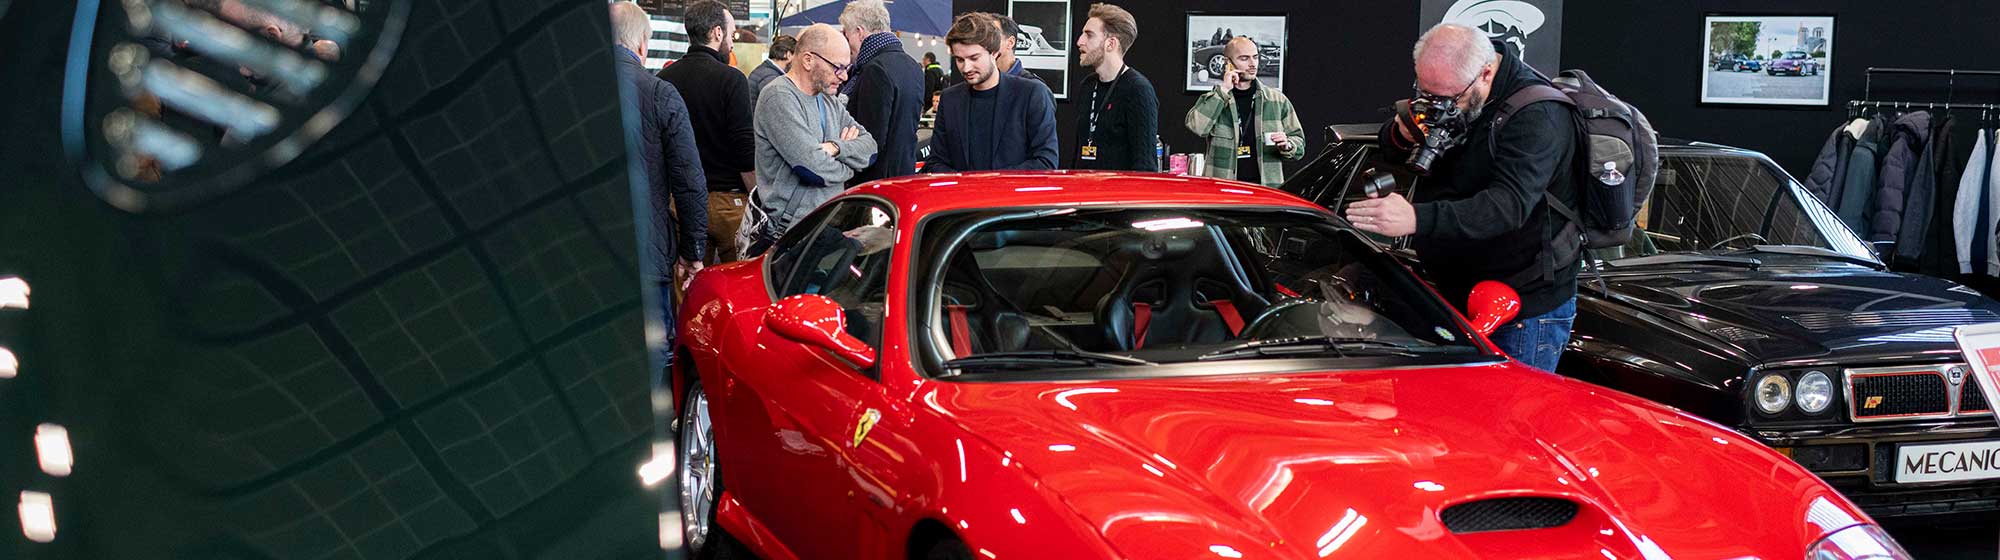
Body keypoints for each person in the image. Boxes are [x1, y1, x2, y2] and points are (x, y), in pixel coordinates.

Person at [1343, 24, 1579, 372]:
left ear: (1486, 74)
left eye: (1448, 98)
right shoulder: (1454, 84)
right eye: (1426, 93)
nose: (1437, 105)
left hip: (1519, 305)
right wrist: (1399, 133)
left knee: (1507, 420)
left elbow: (1507, 207)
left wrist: (1416, 219)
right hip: (1450, 294)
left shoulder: (1538, 115)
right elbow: (1397, 149)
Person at [611, 1, 706, 362]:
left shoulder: (567, 93)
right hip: (648, 252)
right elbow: (688, 179)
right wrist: (692, 251)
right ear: (642, 44)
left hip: (580, 254)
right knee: (653, 357)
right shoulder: (658, 93)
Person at [749, 24, 878, 254]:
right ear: (808, 60)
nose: (845, 76)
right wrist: (849, 167)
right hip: (790, 235)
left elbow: (870, 149)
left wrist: (835, 148)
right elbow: (813, 170)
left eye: (847, 68)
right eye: (838, 68)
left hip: (823, 227)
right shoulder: (778, 97)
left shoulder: (827, 100)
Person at [659, 0, 756, 264]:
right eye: (732, 33)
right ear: (717, 33)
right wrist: (758, 199)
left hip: (681, 203)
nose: (733, 41)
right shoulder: (732, 79)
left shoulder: (664, 79)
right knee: (737, 286)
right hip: (729, 205)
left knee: (687, 286)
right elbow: (744, 151)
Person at [923, 13, 1058, 173]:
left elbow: (1045, 162)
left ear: (994, 53)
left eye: (974, 58)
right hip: (963, 196)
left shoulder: (1031, 94)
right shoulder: (950, 99)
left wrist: (988, 184)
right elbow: (935, 161)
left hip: (1011, 196)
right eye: (960, 60)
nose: (966, 68)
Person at [1184, 36, 1305, 187]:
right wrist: (1224, 90)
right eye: (1244, 58)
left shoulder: (1277, 100)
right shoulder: (1215, 99)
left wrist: (1288, 144)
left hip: (1266, 193)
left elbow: (1299, 144)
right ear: (1228, 63)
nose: (1252, 64)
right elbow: (1197, 127)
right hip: (1223, 193)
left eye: (1255, 57)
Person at [837, 0, 923, 184]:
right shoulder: (911, 64)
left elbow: (870, 141)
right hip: (902, 175)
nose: (845, 43)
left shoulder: (874, 69)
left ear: (859, 32)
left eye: (846, 34)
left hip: (873, 182)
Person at [1070, 3, 1158, 171]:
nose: (1079, 41)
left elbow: (1145, 165)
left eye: (1089, 35)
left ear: (1110, 44)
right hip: (1084, 190)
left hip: (1118, 195)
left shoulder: (1138, 90)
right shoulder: (1088, 86)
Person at [992, 14, 1049, 93]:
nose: (984, 42)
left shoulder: (1033, 88)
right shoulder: (976, 83)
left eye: (992, 36)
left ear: (1010, 42)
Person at [749, 34, 796, 108]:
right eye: (796, 56)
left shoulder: (765, 71)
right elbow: (777, 108)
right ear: (788, 55)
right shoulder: (771, 78)